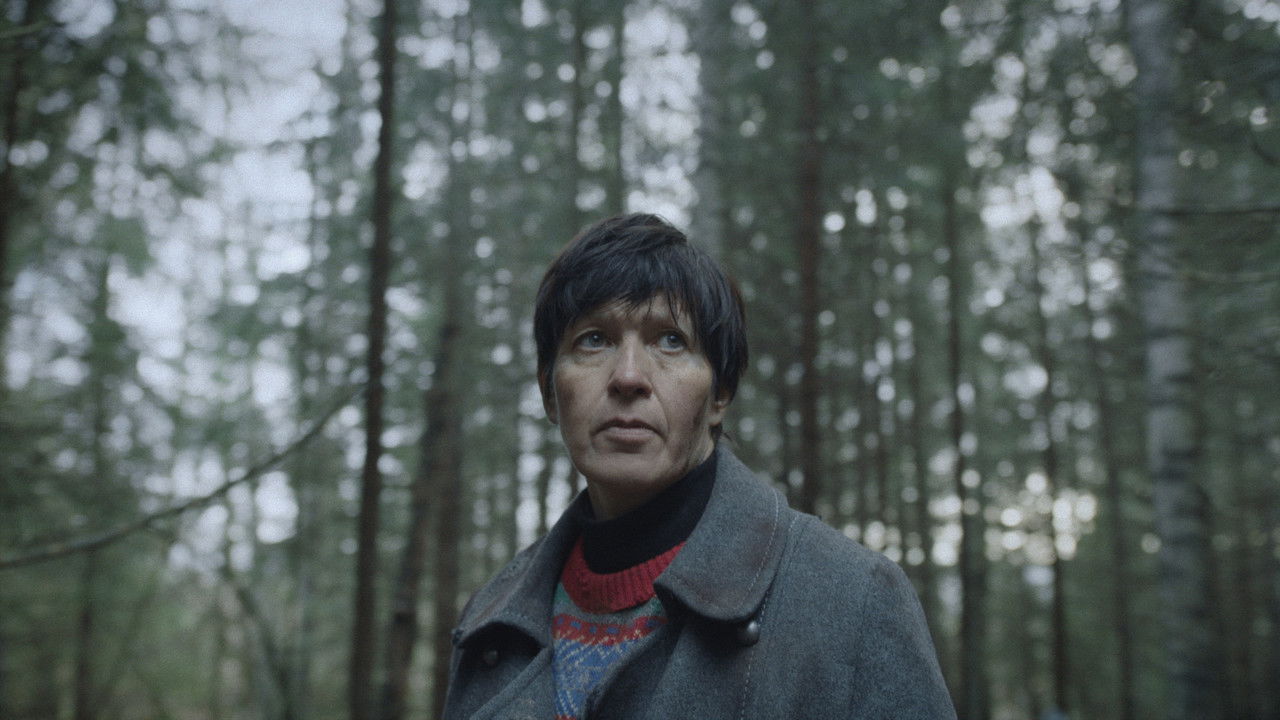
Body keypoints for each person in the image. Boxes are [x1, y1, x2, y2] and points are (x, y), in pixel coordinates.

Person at [442, 213, 956, 719]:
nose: (628, 377)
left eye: (671, 340)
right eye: (594, 339)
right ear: (550, 393)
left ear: (720, 394)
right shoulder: (490, 625)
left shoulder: (853, 600)